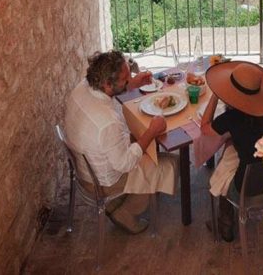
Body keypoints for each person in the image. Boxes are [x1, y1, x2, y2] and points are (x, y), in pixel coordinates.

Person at [63, 51, 177, 234]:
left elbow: (114, 88)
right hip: (100, 181)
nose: (129, 80)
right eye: (125, 79)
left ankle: (119, 204)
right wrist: (151, 132)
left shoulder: (84, 86)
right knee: (168, 164)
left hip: (85, 166)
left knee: (140, 141)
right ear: (108, 84)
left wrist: (134, 82)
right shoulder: (107, 122)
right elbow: (125, 163)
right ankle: (126, 212)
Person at [201, 61, 263, 242]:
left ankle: (226, 224)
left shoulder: (232, 118)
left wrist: (215, 95)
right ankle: (226, 220)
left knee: (222, 173)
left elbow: (204, 128)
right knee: (230, 154)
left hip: (247, 186)